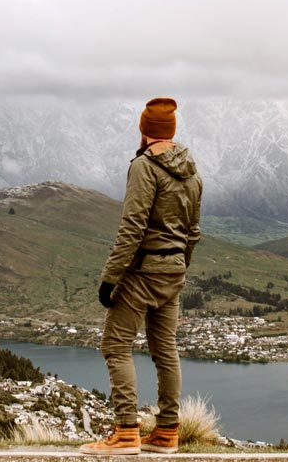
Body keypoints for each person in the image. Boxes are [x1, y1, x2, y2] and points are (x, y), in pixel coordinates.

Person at [80, 97, 202, 456]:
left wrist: (110, 277)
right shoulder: (193, 172)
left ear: (144, 129)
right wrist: (180, 264)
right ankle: (166, 433)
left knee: (115, 346)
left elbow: (132, 227)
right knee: (166, 350)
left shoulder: (144, 168)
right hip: (174, 271)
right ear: (172, 131)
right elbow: (193, 232)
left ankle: (125, 433)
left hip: (143, 271)